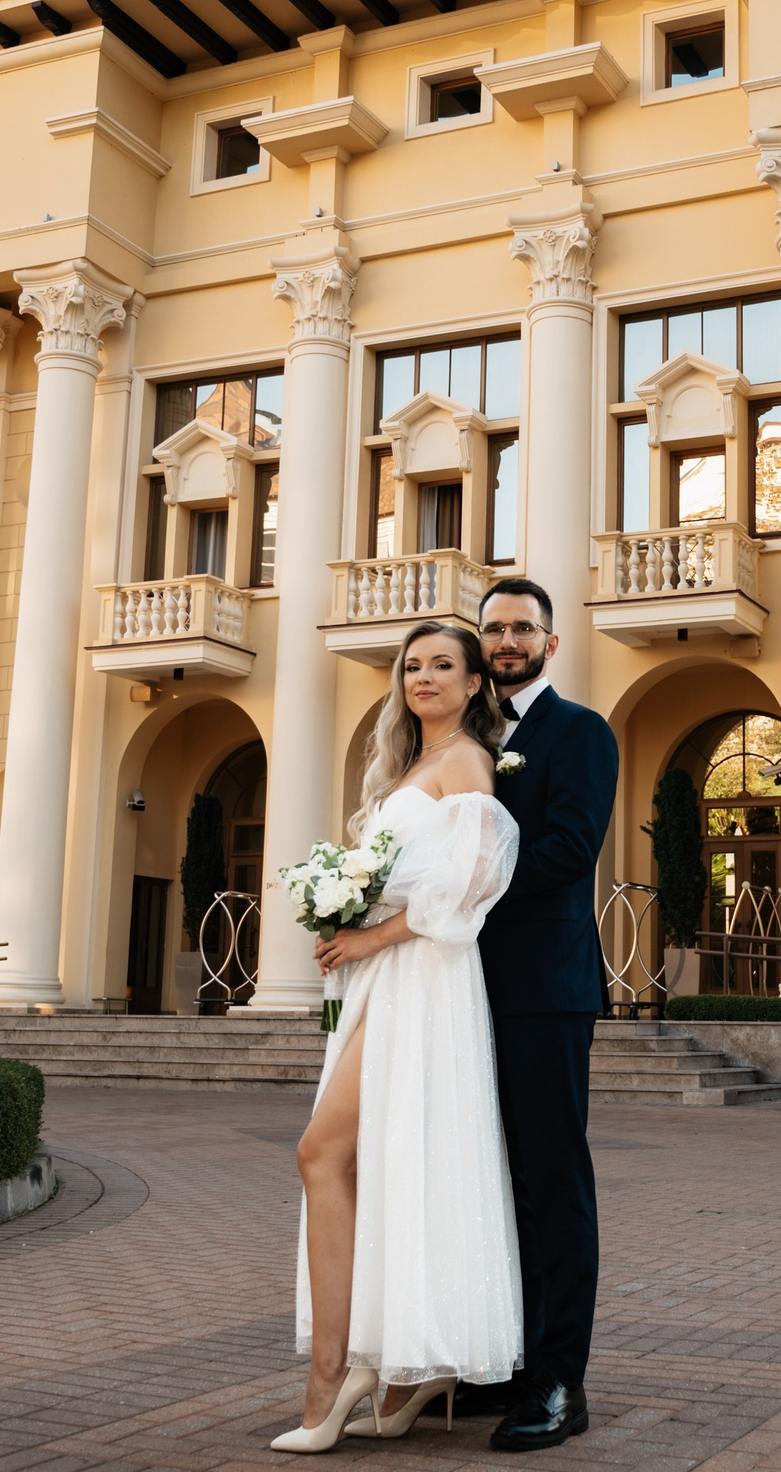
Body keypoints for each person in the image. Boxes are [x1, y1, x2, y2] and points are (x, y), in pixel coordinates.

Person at [276, 620, 524, 1453]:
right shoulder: (405, 766)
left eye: (442, 665)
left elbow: (477, 883)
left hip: (421, 979)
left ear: (473, 683)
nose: (424, 677)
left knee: (322, 1152)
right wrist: (343, 915)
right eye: (412, 665)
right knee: (373, 1161)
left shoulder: (465, 761)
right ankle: (403, 1370)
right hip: (384, 972)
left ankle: (335, 1371)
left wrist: (369, 935)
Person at [461, 576, 620, 1452]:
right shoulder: (465, 735)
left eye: (523, 626)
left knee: (553, 1182)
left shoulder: (580, 732)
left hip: (544, 989)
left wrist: (455, 894)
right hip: (460, 988)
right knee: (490, 1178)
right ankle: (506, 1358)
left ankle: (561, 1376)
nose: (508, 639)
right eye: (495, 627)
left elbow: (568, 849)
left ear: (549, 644)